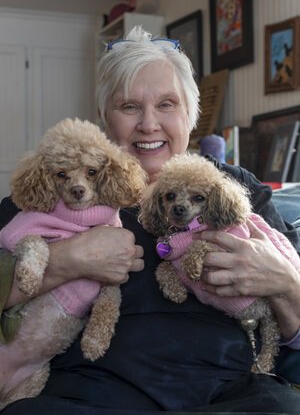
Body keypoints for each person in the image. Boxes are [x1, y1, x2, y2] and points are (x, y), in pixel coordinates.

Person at [0, 25, 300, 414]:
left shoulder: (234, 189)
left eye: (167, 104)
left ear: (191, 114)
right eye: (129, 107)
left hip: (226, 394)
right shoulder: (59, 187)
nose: (148, 124)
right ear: (104, 117)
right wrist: (65, 261)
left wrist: (287, 283)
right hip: (88, 396)